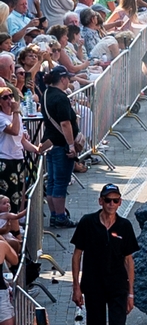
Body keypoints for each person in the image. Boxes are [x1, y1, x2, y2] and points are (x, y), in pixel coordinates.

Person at [71, 185, 138, 325]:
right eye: (108, 200)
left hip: (117, 287)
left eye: (115, 200)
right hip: (94, 286)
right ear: (100, 201)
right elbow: (77, 255)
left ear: (120, 203)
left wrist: (130, 293)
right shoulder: (87, 222)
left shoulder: (124, 226)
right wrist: (76, 286)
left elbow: (129, 260)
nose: (111, 204)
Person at [40, 66, 79, 228]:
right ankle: (61, 217)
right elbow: (65, 123)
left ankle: (54, 215)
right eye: (68, 78)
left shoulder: (46, 94)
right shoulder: (60, 97)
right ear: (62, 79)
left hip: (50, 142)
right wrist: (71, 145)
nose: (69, 81)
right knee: (61, 182)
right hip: (60, 144)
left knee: (52, 181)